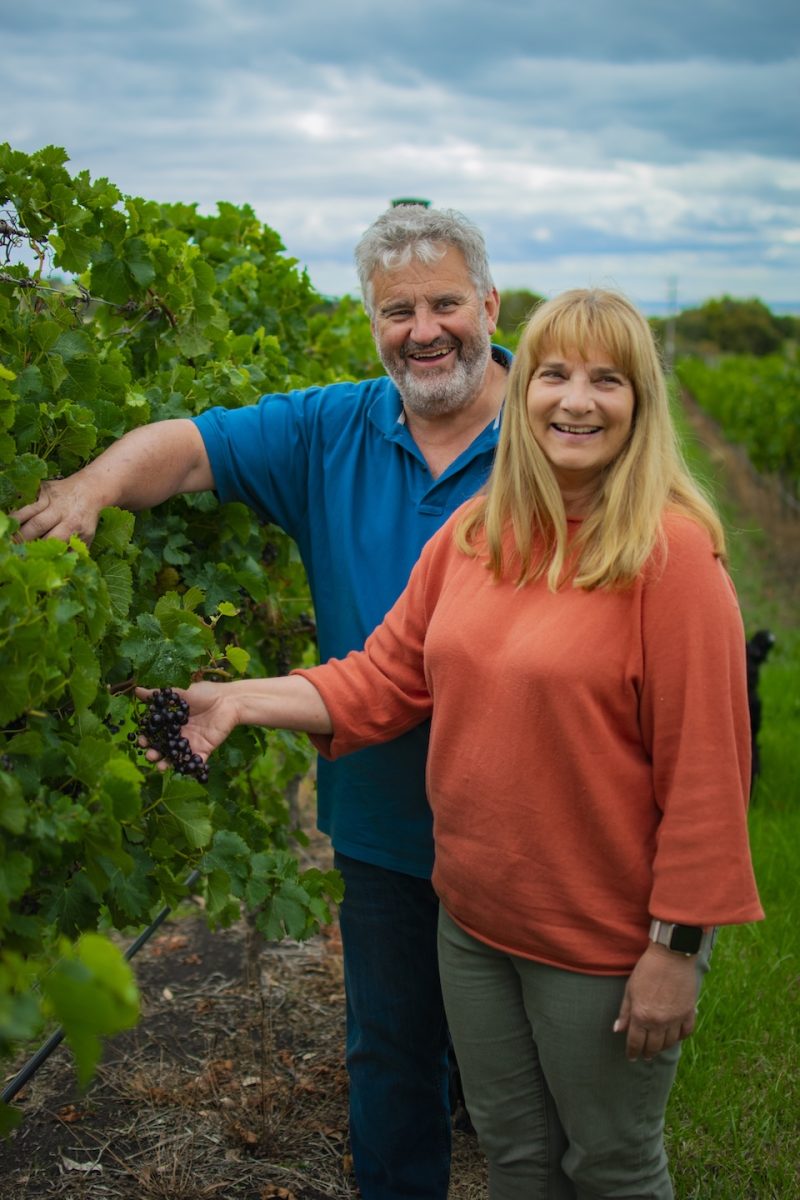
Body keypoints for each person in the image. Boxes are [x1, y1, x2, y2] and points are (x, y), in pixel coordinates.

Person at [137, 288, 764, 1199]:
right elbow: (384, 677)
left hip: (598, 941)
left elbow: (707, 771)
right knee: (515, 1162)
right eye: (553, 374)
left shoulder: (669, 560)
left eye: (607, 380)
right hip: (471, 925)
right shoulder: (477, 536)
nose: (575, 400)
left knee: (612, 1168)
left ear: (642, 403)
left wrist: (676, 949)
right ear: (524, 390)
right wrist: (235, 701)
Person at [11, 205, 511, 1200]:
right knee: (392, 1058)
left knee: (529, 1086)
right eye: (395, 310)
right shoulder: (333, 426)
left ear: (488, 305)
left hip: (527, 820)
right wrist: (94, 485)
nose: (423, 329)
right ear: (370, 321)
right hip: (379, 818)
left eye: (444, 303)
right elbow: (189, 448)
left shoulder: (558, 428)